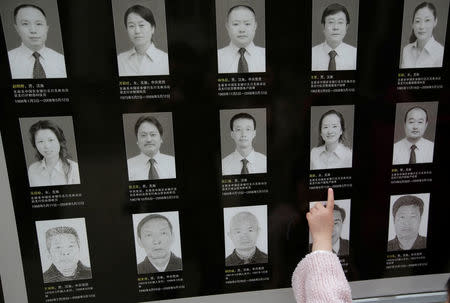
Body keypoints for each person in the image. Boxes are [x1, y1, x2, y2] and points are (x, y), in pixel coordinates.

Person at [292, 188, 352, 303]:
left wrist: (321, 239)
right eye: (329, 223)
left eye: (336, 223)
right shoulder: (307, 251)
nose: (332, 228)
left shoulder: (349, 246)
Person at [8, 4, 67, 79]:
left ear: (46, 28)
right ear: (17, 29)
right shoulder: (9, 60)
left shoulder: (61, 60)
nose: (33, 30)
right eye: (25, 24)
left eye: (39, 24)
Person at [117, 5, 169, 76]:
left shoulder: (165, 60)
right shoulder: (120, 60)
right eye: (131, 26)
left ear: (152, 28)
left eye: (141, 25)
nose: (137, 31)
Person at [27, 120, 80, 187]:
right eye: (40, 141)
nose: (46, 146)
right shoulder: (32, 169)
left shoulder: (74, 168)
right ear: (35, 145)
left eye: (51, 140)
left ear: (59, 141)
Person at [217, 5, 265, 73]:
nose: (242, 30)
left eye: (247, 24)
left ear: (255, 26)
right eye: (236, 24)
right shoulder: (217, 57)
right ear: (227, 26)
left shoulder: (264, 55)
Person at [127, 116, 176, 181]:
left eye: (153, 134)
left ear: (161, 139)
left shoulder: (173, 162)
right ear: (137, 141)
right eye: (143, 135)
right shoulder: (128, 166)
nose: (149, 140)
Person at [311, 3, 357, 71]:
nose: (335, 27)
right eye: (331, 22)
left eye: (340, 22)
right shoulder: (312, 54)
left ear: (346, 27)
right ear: (323, 26)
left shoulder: (355, 54)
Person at [400, 2, 444, 68]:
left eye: (427, 20)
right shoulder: (406, 50)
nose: (422, 26)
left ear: (435, 22)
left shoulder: (441, 53)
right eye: (417, 21)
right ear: (412, 24)